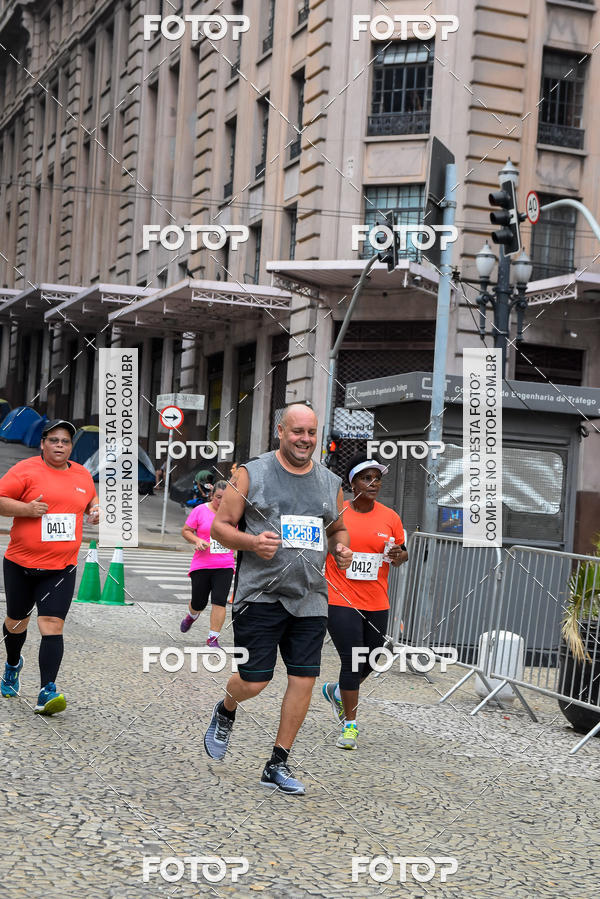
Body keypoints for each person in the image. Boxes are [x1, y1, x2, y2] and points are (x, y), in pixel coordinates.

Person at [202, 403, 353, 795]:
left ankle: (277, 763)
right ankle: (227, 708)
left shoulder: (329, 482)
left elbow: (338, 530)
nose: (305, 439)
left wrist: (341, 548)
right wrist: (252, 542)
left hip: (310, 597)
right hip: (260, 595)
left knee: (304, 678)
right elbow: (220, 527)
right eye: (297, 431)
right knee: (255, 681)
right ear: (281, 432)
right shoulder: (251, 474)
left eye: (311, 432)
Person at [0, 420, 100, 714]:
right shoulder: (25, 470)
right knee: (16, 622)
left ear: (71, 447)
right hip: (21, 563)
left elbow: (89, 501)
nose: (60, 445)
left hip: (61, 567)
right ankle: (12, 664)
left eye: (65, 441)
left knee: (52, 626)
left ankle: (47, 691)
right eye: (54, 440)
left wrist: (94, 511)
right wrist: (26, 509)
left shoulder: (82, 473)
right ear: (43, 444)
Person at [322, 451, 408, 750]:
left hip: (376, 600)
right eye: (366, 478)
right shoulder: (338, 513)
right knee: (353, 658)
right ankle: (350, 726)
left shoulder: (390, 517)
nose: (373, 483)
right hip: (340, 596)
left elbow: (401, 552)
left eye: (377, 479)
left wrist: (399, 555)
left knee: (372, 658)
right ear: (352, 482)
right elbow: (324, 545)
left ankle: (337, 691)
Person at [180, 480, 234, 647]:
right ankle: (192, 616)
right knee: (199, 602)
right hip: (202, 564)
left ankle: (213, 638)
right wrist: (196, 540)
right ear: (211, 495)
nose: (221, 502)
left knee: (219, 600)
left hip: (225, 565)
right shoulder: (200, 511)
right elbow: (186, 531)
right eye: (218, 497)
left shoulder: (235, 514)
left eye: (225, 499)